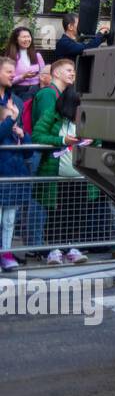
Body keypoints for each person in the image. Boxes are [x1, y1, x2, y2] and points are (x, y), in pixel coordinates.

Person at [31, 58, 89, 265]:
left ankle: (72, 248)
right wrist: (62, 140)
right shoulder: (53, 114)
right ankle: (53, 250)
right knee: (55, 214)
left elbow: (98, 138)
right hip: (55, 175)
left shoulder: (86, 119)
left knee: (76, 214)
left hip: (79, 177)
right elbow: (37, 135)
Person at [0, 56, 37, 272]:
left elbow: (24, 137)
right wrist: (10, 120)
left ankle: (6, 252)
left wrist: (24, 137)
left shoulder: (18, 101)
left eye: (13, 71)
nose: (12, 75)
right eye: (7, 71)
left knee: (10, 218)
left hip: (14, 168)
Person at [5, 26, 45, 101]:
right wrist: (22, 77)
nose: (27, 39)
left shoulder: (37, 56)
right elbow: (7, 80)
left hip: (36, 90)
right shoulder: (10, 57)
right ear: (16, 40)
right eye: (23, 37)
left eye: (28, 36)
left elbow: (44, 73)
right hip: (18, 92)